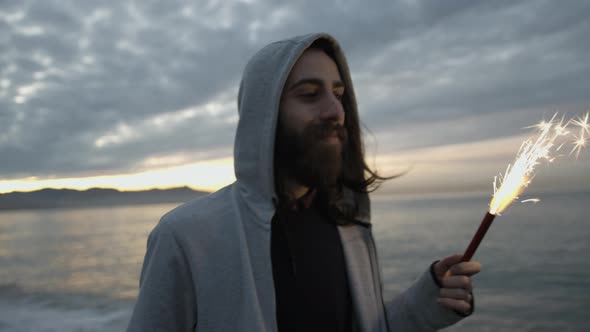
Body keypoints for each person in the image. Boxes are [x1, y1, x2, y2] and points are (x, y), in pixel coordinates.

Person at [127, 32, 481, 332]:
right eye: (310, 94)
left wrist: (427, 298)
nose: (335, 111)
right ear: (264, 116)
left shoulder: (348, 225)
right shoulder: (188, 236)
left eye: (338, 95)